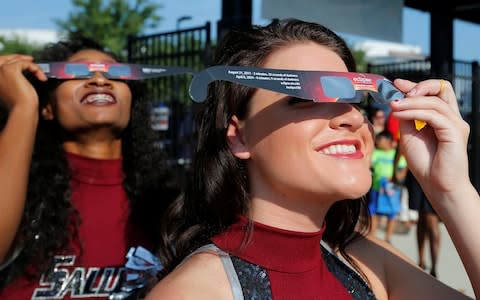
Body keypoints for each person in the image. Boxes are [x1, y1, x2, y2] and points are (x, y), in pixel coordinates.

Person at [148, 19, 480, 299]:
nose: (350, 117)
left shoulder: (365, 260)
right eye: (307, 98)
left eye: (354, 98)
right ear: (239, 135)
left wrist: (451, 190)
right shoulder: (198, 290)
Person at [0, 36, 180, 299]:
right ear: (47, 107)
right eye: (76, 72)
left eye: (116, 73)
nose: (99, 80)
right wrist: (23, 106)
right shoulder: (19, 189)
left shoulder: (165, 200)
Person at [369, 130, 407, 243]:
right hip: (377, 188)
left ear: (389, 141)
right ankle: (372, 236)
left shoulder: (396, 154)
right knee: (373, 211)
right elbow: (369, 164)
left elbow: (403, 168)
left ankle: (388, 238)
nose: (378, 142)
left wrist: (398, 178)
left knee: (392, 213)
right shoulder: (375, 153)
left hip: (392, 190)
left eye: (380, 139)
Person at [406, 170, 442, 277]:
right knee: (422, 218)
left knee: (430, 219)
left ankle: (432, 266)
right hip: (419, 175)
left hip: (432, 175)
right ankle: (422, 262)